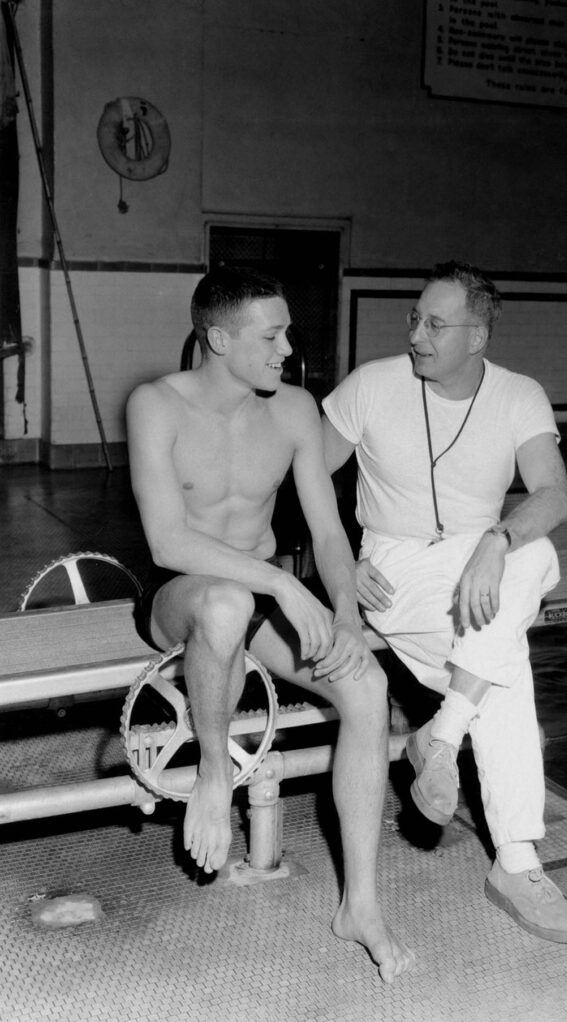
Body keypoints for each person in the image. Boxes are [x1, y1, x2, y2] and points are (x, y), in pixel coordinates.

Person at [126, 266, 414, 983]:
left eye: (286, 332)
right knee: (224, 602)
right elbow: (168, 542)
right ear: (218, 337)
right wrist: (285, 585)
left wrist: (344, 615)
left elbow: (328, 533)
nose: (289, 347)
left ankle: (363, 907)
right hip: (182, 597)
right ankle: (215, 774)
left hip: (257, 599)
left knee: (368, 687)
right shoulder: (156, 405)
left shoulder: (293, 410)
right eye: (272, 334)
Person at [322, 261, 567, 945]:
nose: (415, 334)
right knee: (505, 669)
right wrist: (339, 564)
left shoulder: (519, 394)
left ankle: (442, 734)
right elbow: (299, 472)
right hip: (393, 566)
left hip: (478, 561)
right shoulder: (371, 387)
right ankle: (515, 860)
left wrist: (498, 539)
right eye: (414, 318)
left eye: (435, 324)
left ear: (478, 335)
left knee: (534, 551)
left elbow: (554, 497)